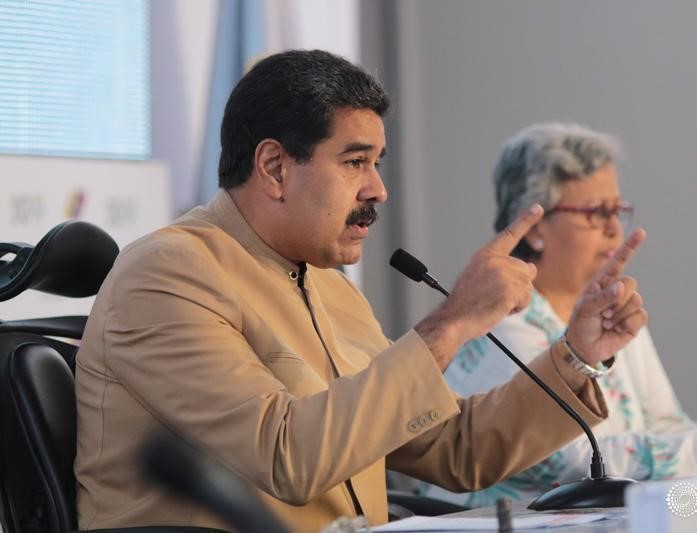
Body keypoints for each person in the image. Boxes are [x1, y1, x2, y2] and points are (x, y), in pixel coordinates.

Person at [74, 52, 648, 531]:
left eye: (377, 163)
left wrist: (576, 356)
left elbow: (454, 451)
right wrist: (450, 324)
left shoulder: (329, 284)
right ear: (274, 167)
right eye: (355, 162)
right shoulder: (168, 274)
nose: (378, 189)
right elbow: (286, 457)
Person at [418, 122, 697, 508]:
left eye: (618, 210)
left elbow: (663, 425)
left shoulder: (607, 312)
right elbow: (560, 459)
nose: (613, 229)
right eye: (596, 212)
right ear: (537, 228)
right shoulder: (498, 319)